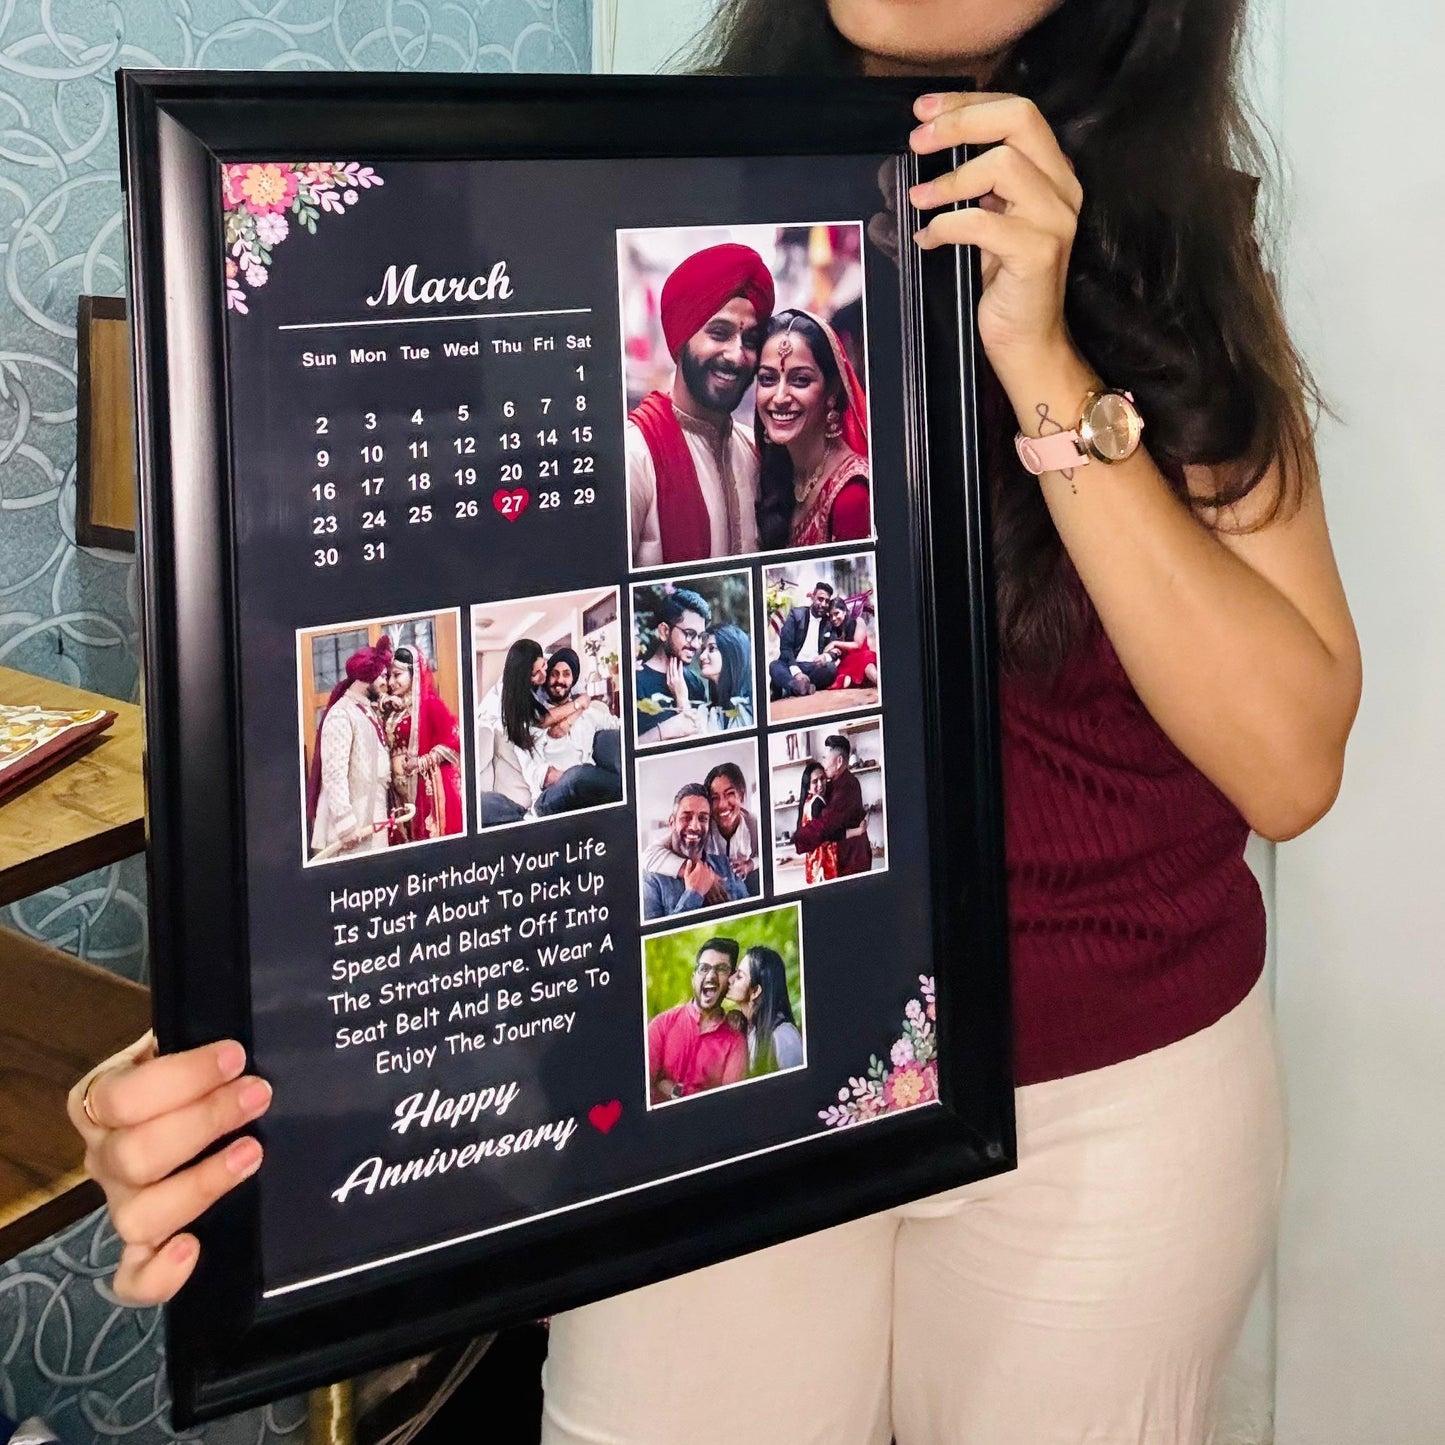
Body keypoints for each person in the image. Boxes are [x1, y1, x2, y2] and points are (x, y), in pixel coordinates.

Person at [72, 6, 1362, 1443]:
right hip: (718, 1069)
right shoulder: (635, 185)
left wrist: (1043, 358)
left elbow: (1288, 761)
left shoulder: (1174, 247)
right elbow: (454, 671)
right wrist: (247, 1045)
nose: (755, 367)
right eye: (737, 347)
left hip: (1108, 1091)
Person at [627, 244, 774, 566]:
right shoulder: (635, 458)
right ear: (682, 337)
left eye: (750, 340)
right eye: (719, 333)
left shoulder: (754, 451)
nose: (737, 355)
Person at [755, 308, 871, 549]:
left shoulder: (852, 496)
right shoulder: (779, 474)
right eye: (768, 379)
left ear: (832, 391)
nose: (780, 397)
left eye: (800, 380)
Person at [490, 648, 623, 823]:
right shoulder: (529, 719)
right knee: (578, 776)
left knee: (613, 745)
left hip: (588, 791)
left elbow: (620, 725)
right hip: (549, 800)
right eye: (554, 674)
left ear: (573, 680)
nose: (560, 680)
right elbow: (541, 775)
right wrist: (583, 780)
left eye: (566, 674)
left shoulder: (590, 714)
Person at [305, 639, 393, 857]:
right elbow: (334, 774)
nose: (386, 683)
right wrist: (345, 824)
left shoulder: (366, 710)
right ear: (367, 676)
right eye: (382, 676)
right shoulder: (341, 713)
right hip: (351, 830)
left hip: (374, 819)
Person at [646, 937, 748, 1104]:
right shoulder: (662, 1025)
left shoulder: (736, 1043)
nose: (711, 976)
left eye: (721, 969)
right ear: (693, 977)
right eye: (704, 968)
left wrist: (673, 1089)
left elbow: (730, 1105)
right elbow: (641, 1086)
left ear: (731, 979)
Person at [640, 761, 761, 897]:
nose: (722, 804)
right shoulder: (703, 826)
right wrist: (699, 874)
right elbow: (648, 856)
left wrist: (750, 865)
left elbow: (769, 852)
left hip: (747, 879)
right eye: (714, 798)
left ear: (742, 796)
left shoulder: (754, 824)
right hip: (713, 884)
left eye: (730, 793)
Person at [381, 644, 463, 842]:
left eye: (397, 675)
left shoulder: (430, 704)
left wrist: (421, 762)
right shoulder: (392, 708)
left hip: (424, 788)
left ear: (414, 673)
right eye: (389, 676)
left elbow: (454, 743)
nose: (391, 682)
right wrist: (384, 702)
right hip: (397, 794)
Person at [640, 783, 749, 920]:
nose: (695, 826)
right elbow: (658, 933)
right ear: (672, 823)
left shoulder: (725, 865)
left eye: (703, 818)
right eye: (686, 817)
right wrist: (694, 894)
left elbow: (750, 916)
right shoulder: (650, 880)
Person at [634, 588, 711, 741]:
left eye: (700, 636)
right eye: (689, 634)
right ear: (664, 631)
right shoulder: (637, 682)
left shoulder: (696, 684)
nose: (696, 645)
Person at [793, 734, 872, 878]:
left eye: (825, 758)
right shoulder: (833, 783)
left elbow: (827, 824)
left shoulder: (847, 786)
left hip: (852, 861)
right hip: (841, 860)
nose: (823, 764)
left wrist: (800, 839)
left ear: (839, 761)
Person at [725, 945, 804, 1076]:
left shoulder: (784, 1036)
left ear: (755, 991)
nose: (730, 979)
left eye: (739, 977)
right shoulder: (747, 1029)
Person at [769, 581, 839, 698]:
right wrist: (797, 673)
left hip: (814, 668)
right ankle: (797, 686)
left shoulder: (828, 623)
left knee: (831, 669)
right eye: (820, 599)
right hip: (792, 664)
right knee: (775, 666)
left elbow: (835, 649)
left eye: (827, 601)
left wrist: (825, 657)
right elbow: (786, 647)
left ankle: (796, 687)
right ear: (813, 597)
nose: (823, 604)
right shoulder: (796, 615)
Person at [696, 623, 754, 729]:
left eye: (712, 649)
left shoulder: (753, 707)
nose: (702, 656)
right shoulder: (705, 711)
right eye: (703, 649)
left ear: (731, 654)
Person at [794, 758, 838, 884]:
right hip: (823, 864)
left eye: (822, 779)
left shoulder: (807, 803)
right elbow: (825, 834)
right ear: (808, 787)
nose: (820, 784)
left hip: (814, 863)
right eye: (815, 781)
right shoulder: (817, 802)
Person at [827, 601, 879, 690]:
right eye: (831, 616)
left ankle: (878, 681)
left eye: (836, 613)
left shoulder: (858, 621)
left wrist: (835, 643)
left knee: (866, 660)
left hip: (863, 657)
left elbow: (857, 645)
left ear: (844, 611)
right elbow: (826, 651)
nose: (833, 618)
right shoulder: (834, 631)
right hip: (848, 663)